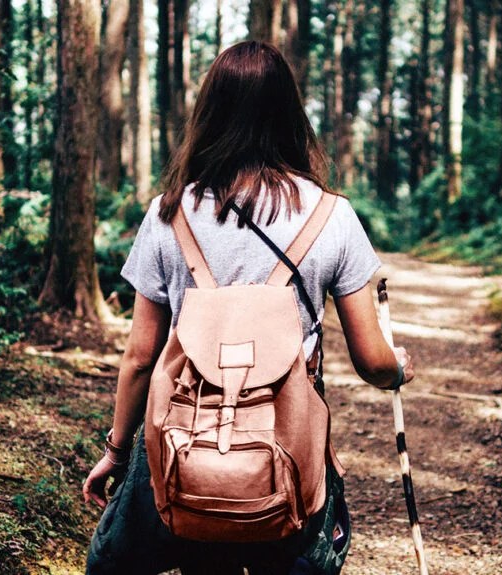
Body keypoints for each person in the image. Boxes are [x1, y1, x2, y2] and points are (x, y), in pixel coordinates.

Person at [82, 40, 414, 575]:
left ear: (210, 113)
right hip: (287, 447)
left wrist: (117, 454)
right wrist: (398, 367)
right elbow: (373, 362)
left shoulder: (169, 215)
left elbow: (140, 357)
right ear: (290, 114)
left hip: (183, 444)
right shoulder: (333, 216)